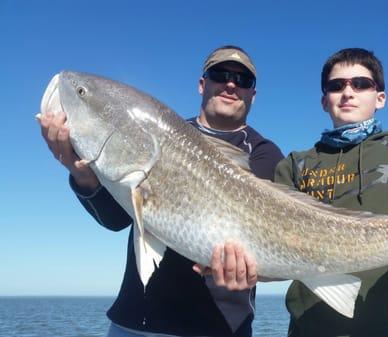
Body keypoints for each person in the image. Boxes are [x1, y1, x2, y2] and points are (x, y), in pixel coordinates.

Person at [38, 45, 284, 337]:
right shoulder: (161, 132)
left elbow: (269, 248)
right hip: (133, 323)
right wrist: (80, 171)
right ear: (202, 84)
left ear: (252, 95)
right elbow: (116, 220)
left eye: (243, 80)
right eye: (220, 74)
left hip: (218, 327)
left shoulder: (264, 154)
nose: (230, 84)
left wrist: (257, 273)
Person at [273, 48, 388, 337]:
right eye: (336, 85)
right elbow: (275, 248)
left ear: (380, 97)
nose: (348, 92)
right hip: (309, 328)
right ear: (323, 101)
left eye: (361, 83)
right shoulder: (294, 164)